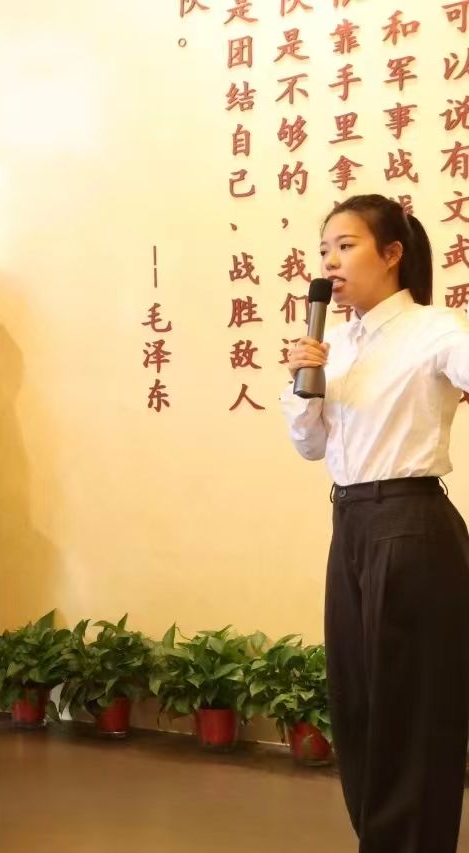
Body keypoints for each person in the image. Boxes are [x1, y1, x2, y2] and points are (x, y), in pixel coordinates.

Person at [282, 194, 468, 853]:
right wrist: (306, 377)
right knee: (357, 703)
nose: (330, 261)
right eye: (324, 249)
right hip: (352, 524)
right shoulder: (331, 343)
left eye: (346, 245)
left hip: (412, 525)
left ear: (391, 254)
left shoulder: (434, 329)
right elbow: (309, 445)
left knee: (412, 710)